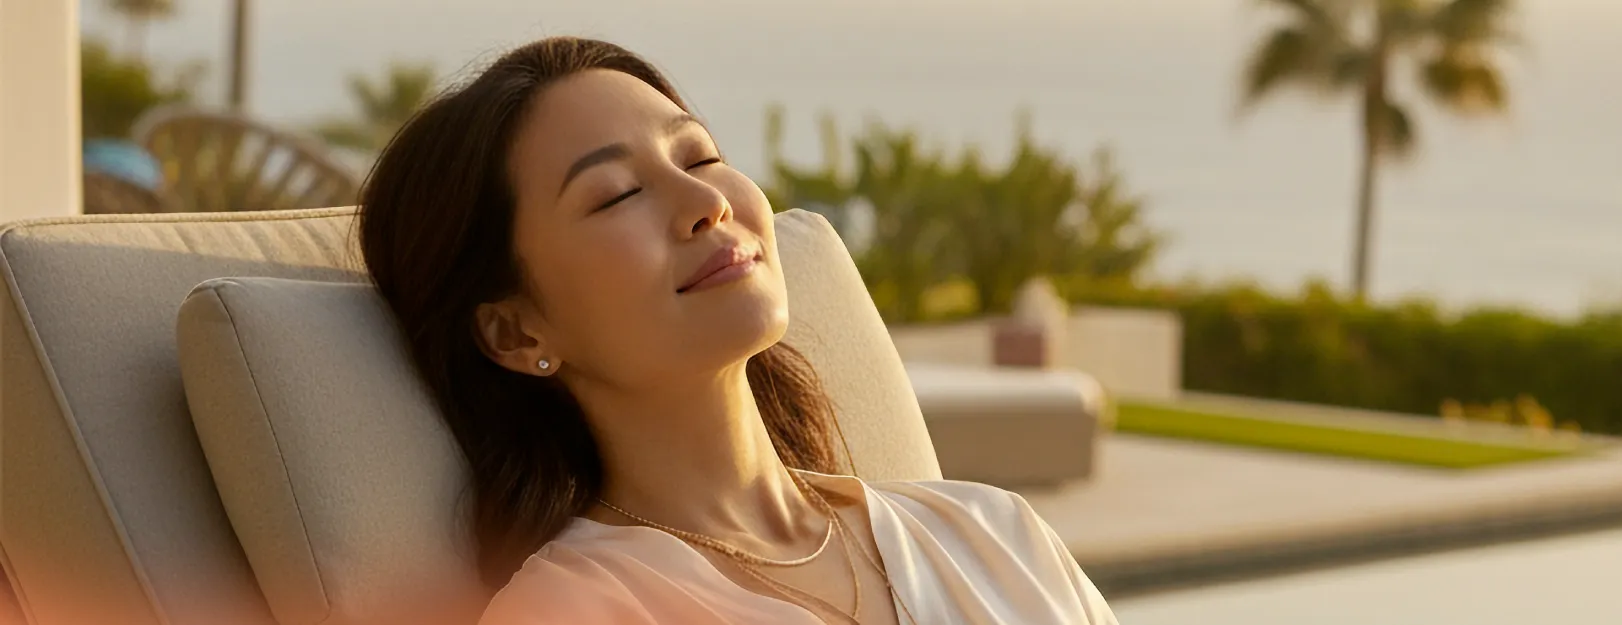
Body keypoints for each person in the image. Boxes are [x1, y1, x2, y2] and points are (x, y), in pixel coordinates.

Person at [356, 36, 1116, 625]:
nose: (706, 202)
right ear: (515, 334)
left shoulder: (992, 533)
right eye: (616, 194)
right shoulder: (578, 609)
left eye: (700, 156)